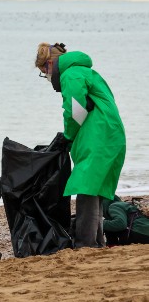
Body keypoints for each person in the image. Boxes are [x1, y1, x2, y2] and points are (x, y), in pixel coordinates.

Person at [35, 42, 126, 248]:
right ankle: (96, 241)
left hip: (98, 135)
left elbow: (75, 110)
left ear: (50, 64)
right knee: (94, 189)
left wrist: (67, 136)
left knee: (86, 187)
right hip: (109, 134)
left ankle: (85, 243)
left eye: (44, 72)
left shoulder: (71, 74)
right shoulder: (87, 72)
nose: (47, 78)